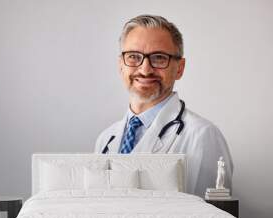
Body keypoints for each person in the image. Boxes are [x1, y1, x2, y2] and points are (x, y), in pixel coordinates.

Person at [94, 15, 233, 197]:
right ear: (121, 65)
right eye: (134, 57)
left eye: (159, 58)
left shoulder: (202, 136)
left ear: (179, 68)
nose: (145, 70)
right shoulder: (105, 139)